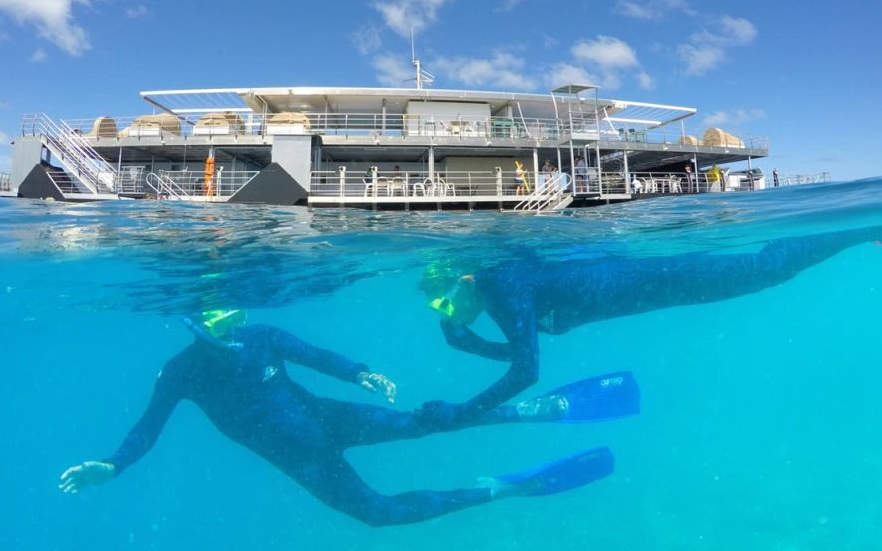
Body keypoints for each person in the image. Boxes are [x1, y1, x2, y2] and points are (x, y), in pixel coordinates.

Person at [59, 310, 639, 527]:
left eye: (232, 313)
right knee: (380, 516)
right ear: (191, 323)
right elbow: (147, 429)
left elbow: (316, 356)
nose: (229, 324)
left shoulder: (261, 335)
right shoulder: (180, 372)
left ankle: (522, 412)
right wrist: (113, 466)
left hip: (330, 419)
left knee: (427, 421)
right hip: (303, 461)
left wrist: (362, 371)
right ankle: (497, 492)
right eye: (214, 320)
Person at [417, 226, 882, 427]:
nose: (445, 314)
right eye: (435, 309)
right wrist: (477, 346)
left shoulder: (504, 282)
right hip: (657, 292)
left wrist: (463, 412)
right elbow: (527, 352)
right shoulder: (496, 301)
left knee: (767, 268)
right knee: (765, 272)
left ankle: (865, 228)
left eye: (443, 301)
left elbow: (526, 372)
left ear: (463, 280)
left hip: (660, 276)